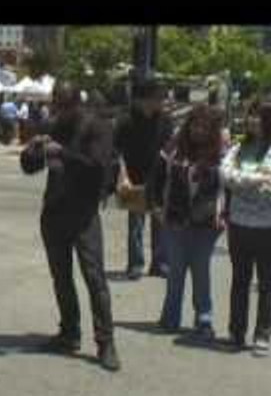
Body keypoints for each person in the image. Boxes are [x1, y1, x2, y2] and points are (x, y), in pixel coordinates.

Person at [20, 81, 120, 371]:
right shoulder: (53, 126)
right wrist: (33, 149)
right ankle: (69, 331)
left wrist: (62, 152)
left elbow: (97, 166)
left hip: (83, 212)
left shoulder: (96, 127)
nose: (59, 111)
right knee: (60, 277)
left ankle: (106, 342)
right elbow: (29, 167)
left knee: (94, 277)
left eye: (64, 105)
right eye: (56, 104)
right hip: (54, 211)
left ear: (78, 103)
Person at [220, 101, 271, 357]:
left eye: (257, 116)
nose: (251, 121)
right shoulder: (240, 146)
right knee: (240, 281)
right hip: (239, 225)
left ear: (270, 121)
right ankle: (236, 332)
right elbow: (225, 175)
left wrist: (243, 182)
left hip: (270, 227)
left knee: (266, 283)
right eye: (250, 116)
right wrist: (257, 178)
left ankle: (263, 334)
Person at [147, 105, 226, 340]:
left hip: (206, 226)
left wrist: (224, 216)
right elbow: (155, 180)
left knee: (202, 274)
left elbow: (228, 189)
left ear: (212, 130)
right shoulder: (172, 150)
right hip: (174, 222)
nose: (198, 130)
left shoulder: (221, 154)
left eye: (204, 126)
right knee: (175, 274)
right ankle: (170, 318)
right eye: (194, 125)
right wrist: (157, 209)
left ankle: (204, 319)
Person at [114, 78, 175, 280]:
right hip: (134, 178)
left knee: (161, 223)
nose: (161, 101)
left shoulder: (165, 120)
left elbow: (170, 148)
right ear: (143, 100)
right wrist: (122, 177)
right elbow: (117, 152)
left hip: (160, 179)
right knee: (136, 226)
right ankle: (136, 264)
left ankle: (160, 263)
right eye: (158, 97)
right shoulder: (125, 121)